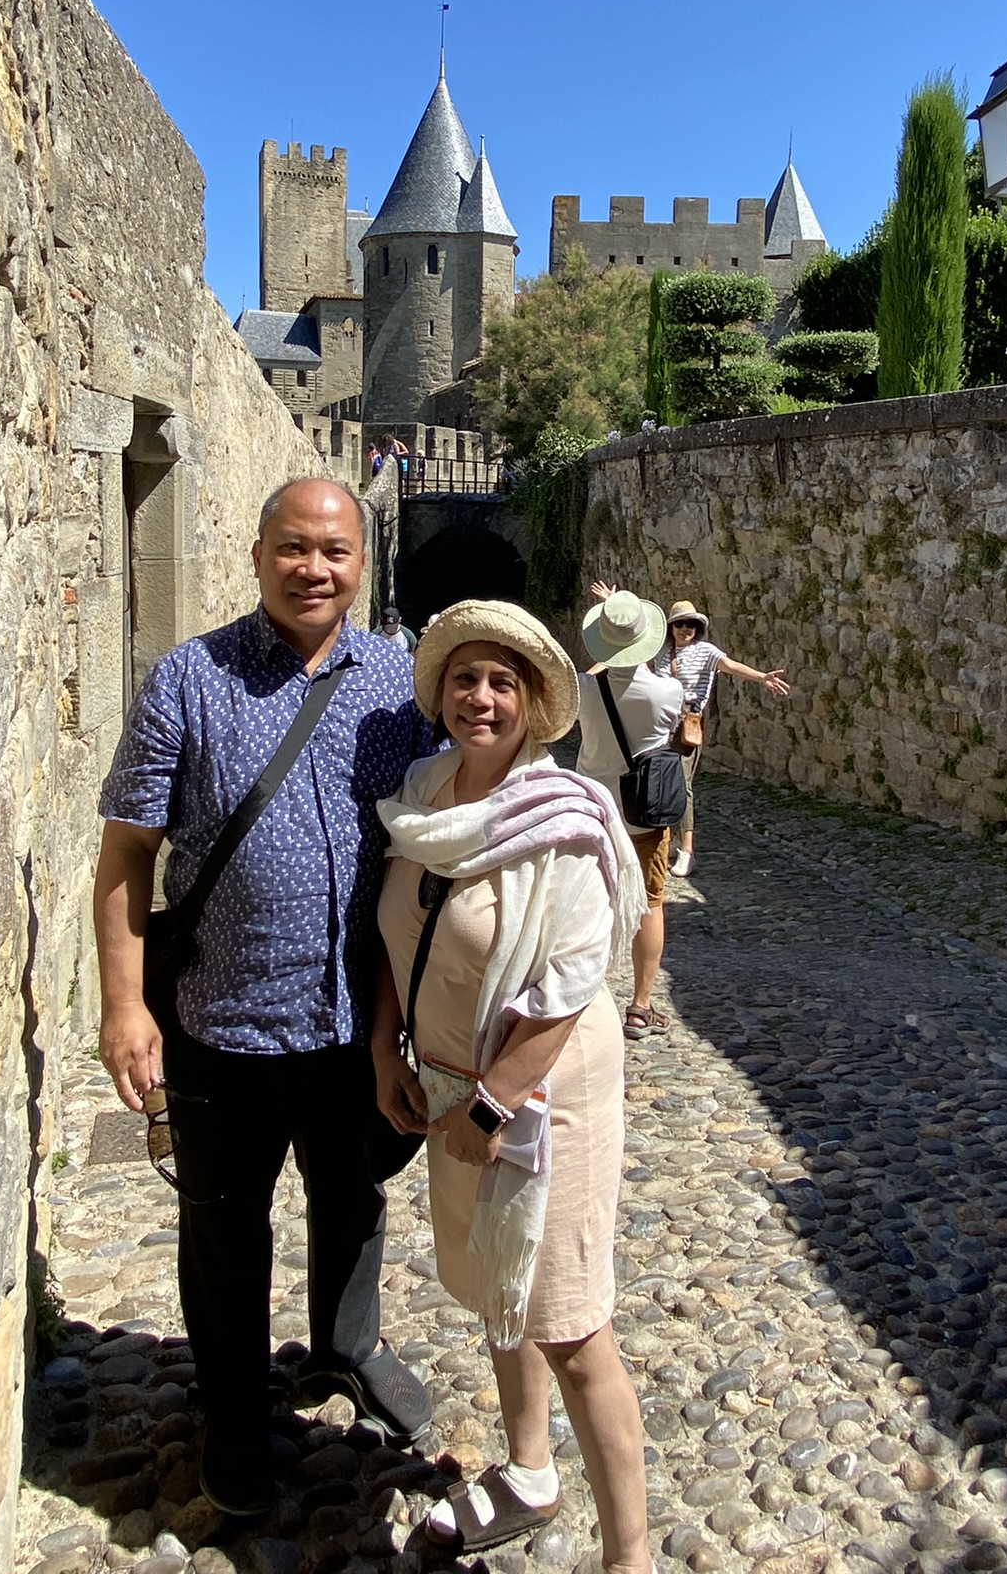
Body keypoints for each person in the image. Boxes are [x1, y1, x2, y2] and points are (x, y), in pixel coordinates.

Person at [93, 477, 432, 1517]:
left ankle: (348, 1345)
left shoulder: (399, 683)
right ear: (256, 555)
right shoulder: (189, 678)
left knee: (355, 1196)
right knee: (224, 1228)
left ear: (361, 563)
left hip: (357, 1022)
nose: (313, 569)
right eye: (293, 547)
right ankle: (235, 1409)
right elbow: (126, 852)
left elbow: (444, 832)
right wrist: (124, 1004)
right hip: (221, 1020)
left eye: (334, 551)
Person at [372, 602, 652, 1574]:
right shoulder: (423, 795)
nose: (480, 698)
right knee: (502, 1285)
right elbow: (395, 932)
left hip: (541, 1099)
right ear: (441, 692)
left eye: (502, 682)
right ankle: (530, 1470)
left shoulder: (566, 819)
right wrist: (386, 1050)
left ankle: (630, 1556)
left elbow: (570, 985)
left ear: (533, 703)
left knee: (570, 1325)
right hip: (449, 1086)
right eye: (465, 678)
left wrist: (493, 1103)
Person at [574, 587, 684, 1039]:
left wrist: (602, 659)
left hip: (593, 813)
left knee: (586, 904)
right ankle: (640, 1006)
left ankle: (579, 1002)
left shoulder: (584, 689)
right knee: (650, 905)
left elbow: (584, 682)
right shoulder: (668, 692)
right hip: (643, 814)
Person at [659, 600, 789, 876]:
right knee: (665, 784)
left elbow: (730, 666)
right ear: (671, 627)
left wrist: (762, 677)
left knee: (683, 784)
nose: (686, 628)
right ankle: (674, 839)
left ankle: (687, 851)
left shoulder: (705, 651)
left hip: (685, 726)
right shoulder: (662, 654)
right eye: (680, 623)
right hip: (660, 726)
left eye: (691, 624)